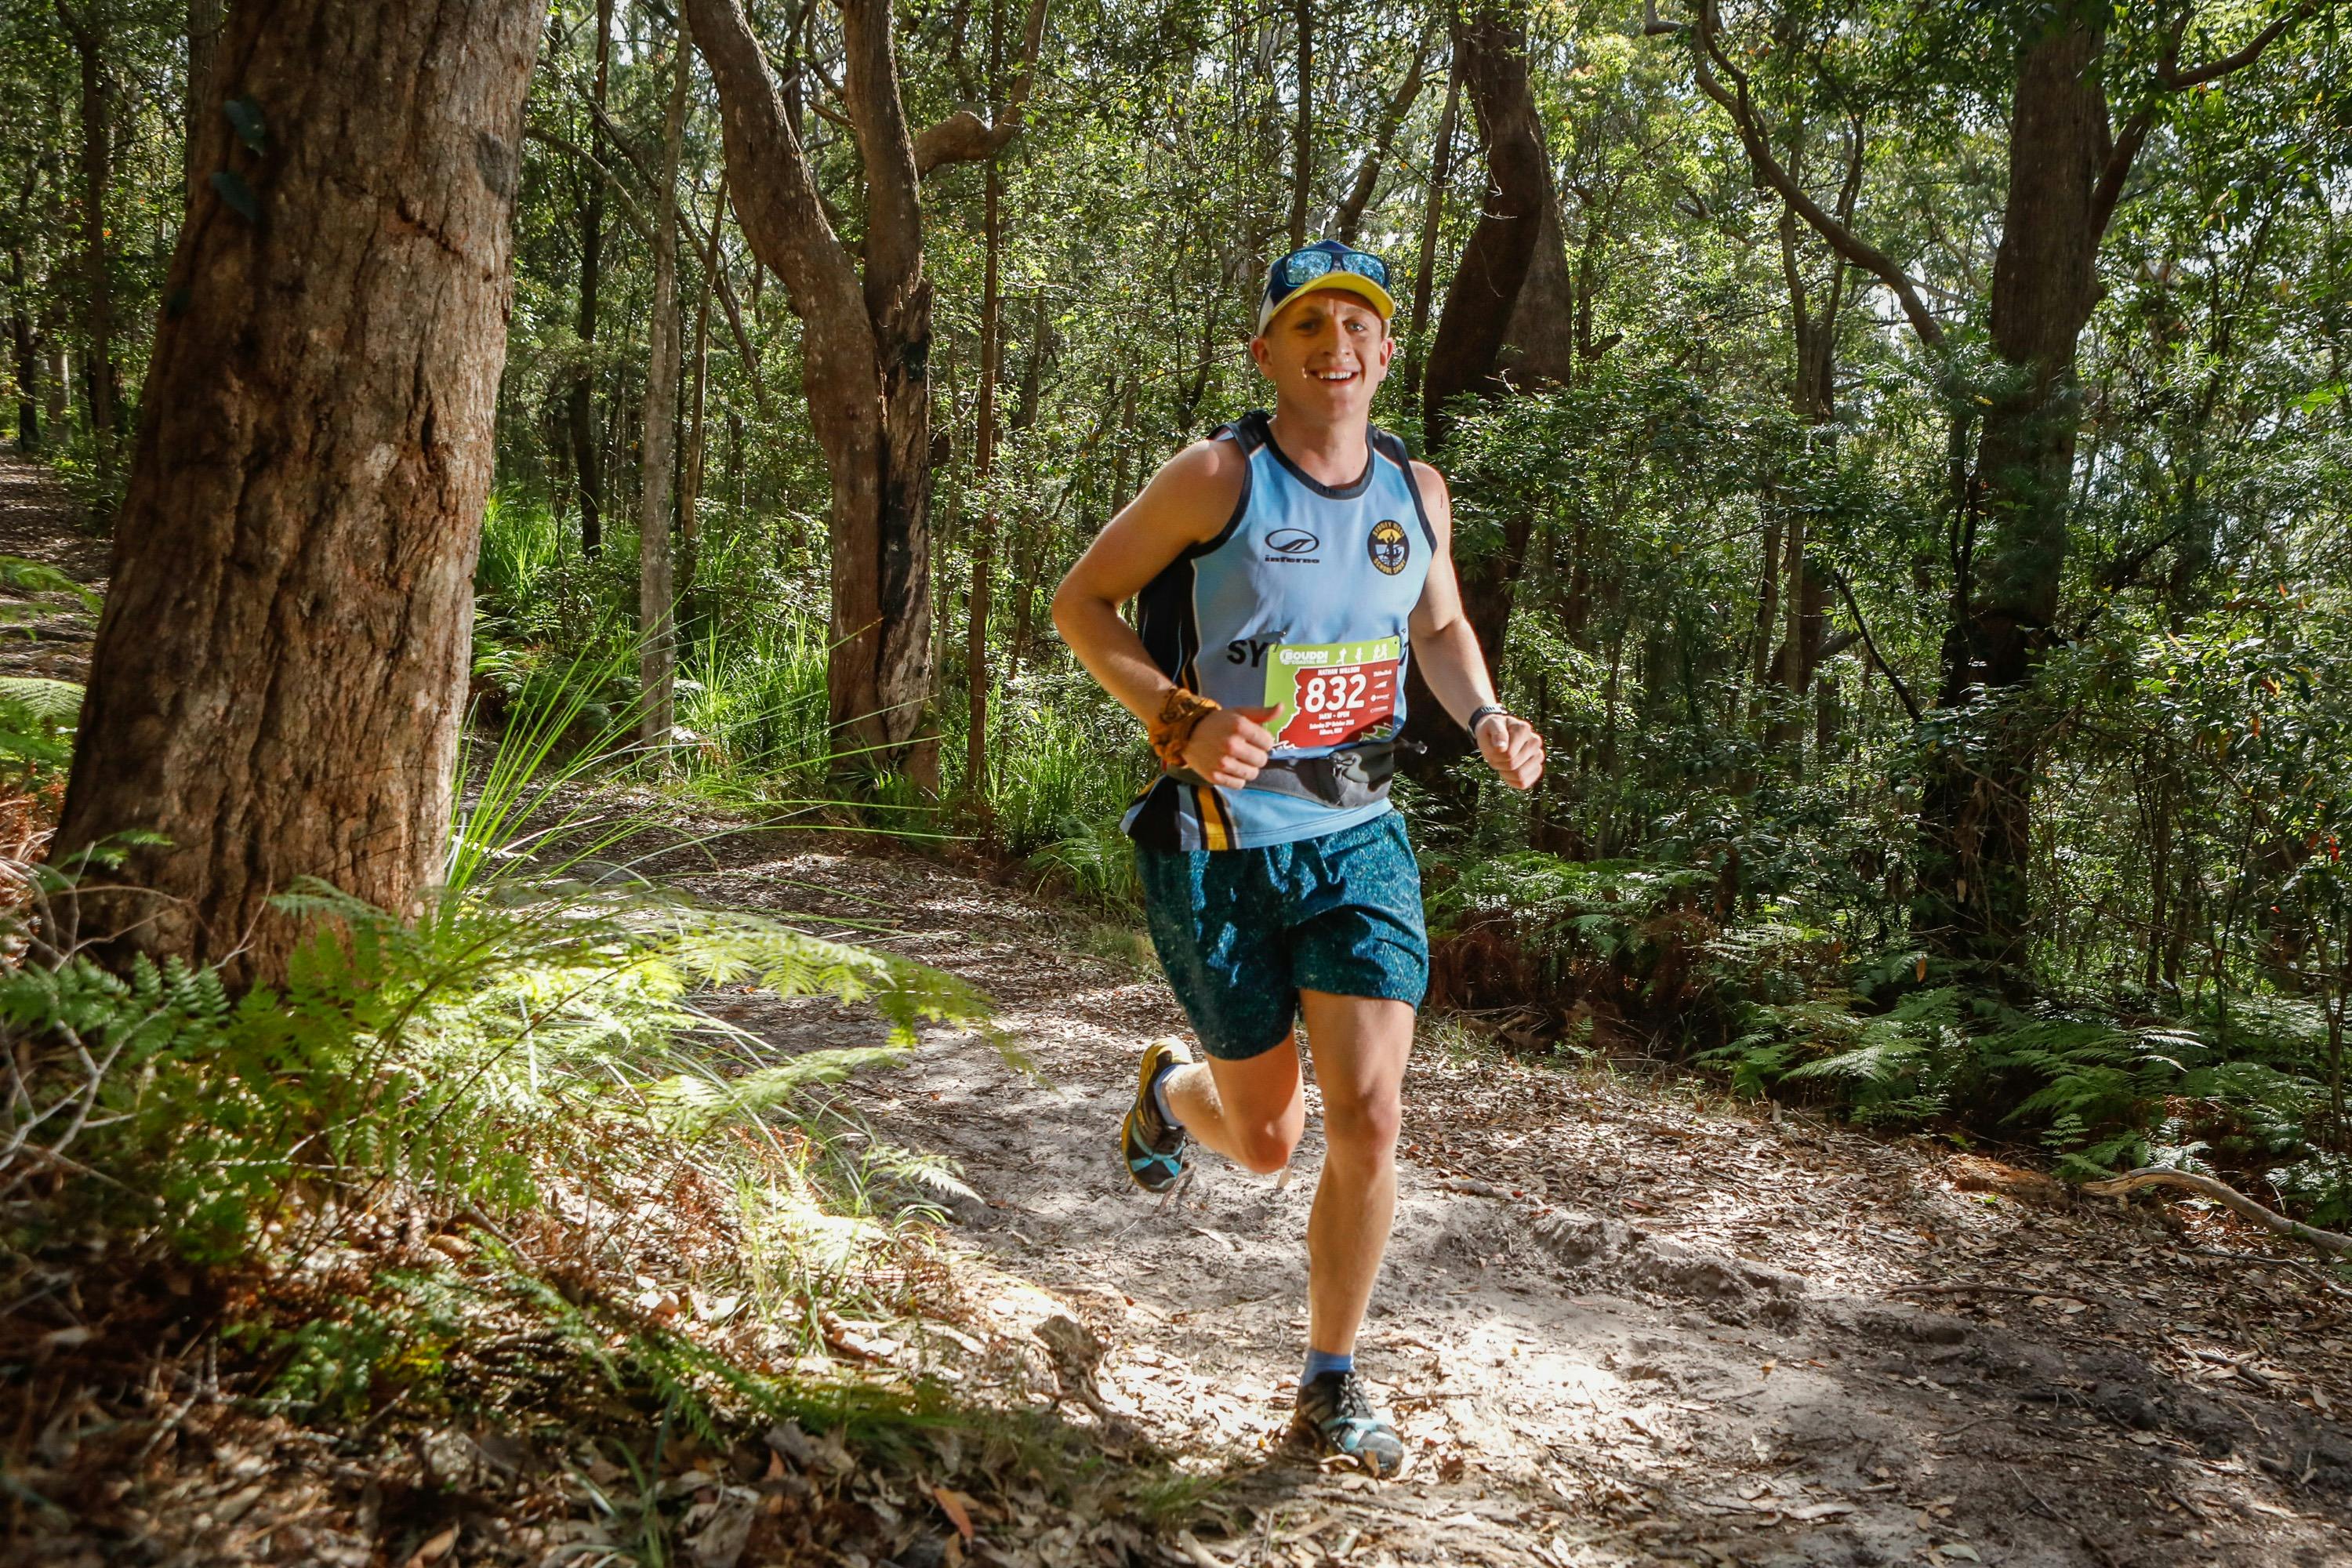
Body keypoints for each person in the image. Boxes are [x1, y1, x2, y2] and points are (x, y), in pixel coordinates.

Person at [1051, 239, 1544, 1475]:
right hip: (1216, 848)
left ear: (1385, 351)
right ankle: (1173, 1091)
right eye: (1309, 326)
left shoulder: (1415, 491)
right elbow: (1080, 605)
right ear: (1266, 353)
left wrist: (1485, 714)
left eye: (1357, 325)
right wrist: (1176, 716)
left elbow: (1440, 625)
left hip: (1359, 838)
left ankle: (1330, 1380)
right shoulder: (1217, 479)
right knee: (1268, 1144)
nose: (1337, 346)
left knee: (1370, 1118)